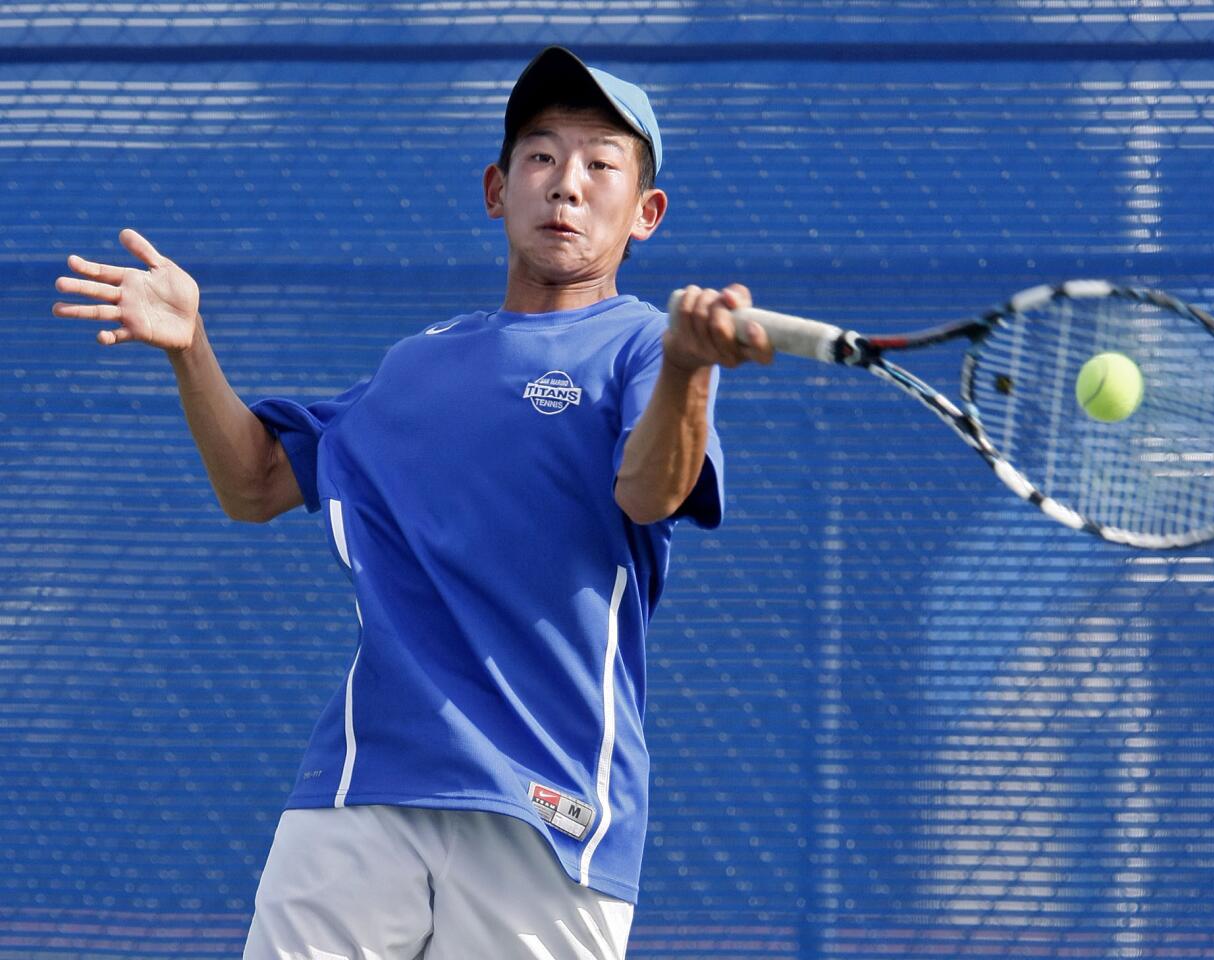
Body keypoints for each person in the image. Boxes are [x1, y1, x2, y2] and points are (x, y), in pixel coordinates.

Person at [52, 45, 772, 960]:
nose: (567, 185)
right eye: (541, 157)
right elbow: (257, 482)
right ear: (495, 188)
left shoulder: (638, 348)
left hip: (547, 810)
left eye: (601, 164)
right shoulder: (414, 364)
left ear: (645, 213)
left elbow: (648, 489)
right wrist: (192, 346)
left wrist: (685, 367)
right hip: (361, 787)